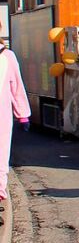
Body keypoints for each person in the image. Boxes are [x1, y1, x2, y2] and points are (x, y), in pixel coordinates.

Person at [0, 39, 31, 203]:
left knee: (1, 152)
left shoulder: (7, 56)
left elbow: (16, 87)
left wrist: (22, 113)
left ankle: (0, 190)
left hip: (2, 115)